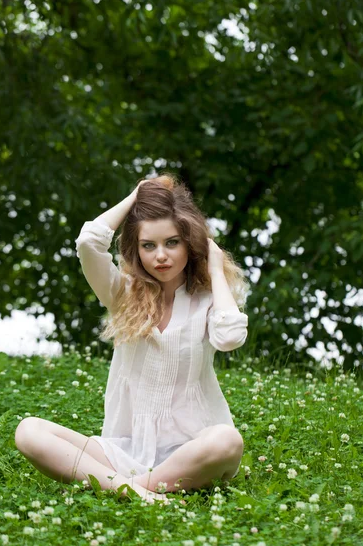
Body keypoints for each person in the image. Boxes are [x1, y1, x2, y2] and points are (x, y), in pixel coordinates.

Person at [14, 174, 249, 504]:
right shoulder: (122, 293)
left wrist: (214, 268)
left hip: (192, 451)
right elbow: (88, 243)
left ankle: (124, 486)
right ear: (136, 250)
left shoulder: (208, 301)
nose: (161, 256)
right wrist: (136, 195)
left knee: (228, 440)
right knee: (29, 431)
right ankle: (134, 490)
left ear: (190, 243)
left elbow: (230, 336)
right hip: (123, 451)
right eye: (148, 245)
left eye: (172, 242)